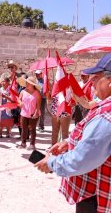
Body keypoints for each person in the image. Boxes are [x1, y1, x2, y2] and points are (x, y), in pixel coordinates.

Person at [35, 59, 111, 213]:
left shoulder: (106, 116)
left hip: (95, 196)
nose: (91, 81)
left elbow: (82, 159)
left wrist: (51, 163)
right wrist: (69, 142)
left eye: (96, 77)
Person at [17, 76, 41, 150]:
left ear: (33, 84)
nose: (27, 84)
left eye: (28, 83)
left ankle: (32, 144)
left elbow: (38, 104)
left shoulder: (37, 93)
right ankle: (23, 143)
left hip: (33, 113)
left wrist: (36, 113)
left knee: (32, 129)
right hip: (24, 113)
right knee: (24, 129)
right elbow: (18, 99)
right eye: (26, 83)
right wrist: (20, 102)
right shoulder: (23, 91)